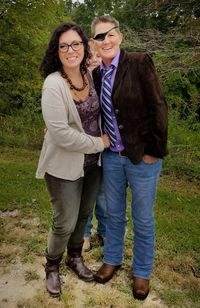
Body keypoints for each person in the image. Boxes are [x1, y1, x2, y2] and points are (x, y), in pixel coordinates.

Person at [91, 15, 168, 300]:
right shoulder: (97, 74)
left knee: (143, 217)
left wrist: (153, 152)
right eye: (99, 37)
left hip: (142, 158)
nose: (105, 41)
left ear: (119, 36)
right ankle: (112, 259)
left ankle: (142, 272)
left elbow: (159, 107)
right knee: (113, 214)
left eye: (109, 34)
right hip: (112, 158)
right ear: (95, 44)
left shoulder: (138, 62)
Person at [36, 22, 110, 297]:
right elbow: (61, 134)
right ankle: (52, 266)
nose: (70, 50)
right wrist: (98, 143)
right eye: (63, 45)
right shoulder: (53, 84)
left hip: (92, 165)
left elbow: (109, 53)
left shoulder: (88, 75)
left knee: (82, 216)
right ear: (56, 51)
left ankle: (75, 257)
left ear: (83, 46)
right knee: (64, 221)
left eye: (75, 43)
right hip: (63, 165)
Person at [83, 40, 107, 252]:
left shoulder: (107, 79)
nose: (93, 60)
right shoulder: (78, 80)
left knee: (104, 196)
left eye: (98, 56)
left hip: (105, 149)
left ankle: (105, 232)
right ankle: (84, 234)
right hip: (83, 147)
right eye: (89, 56)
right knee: (85, 195)